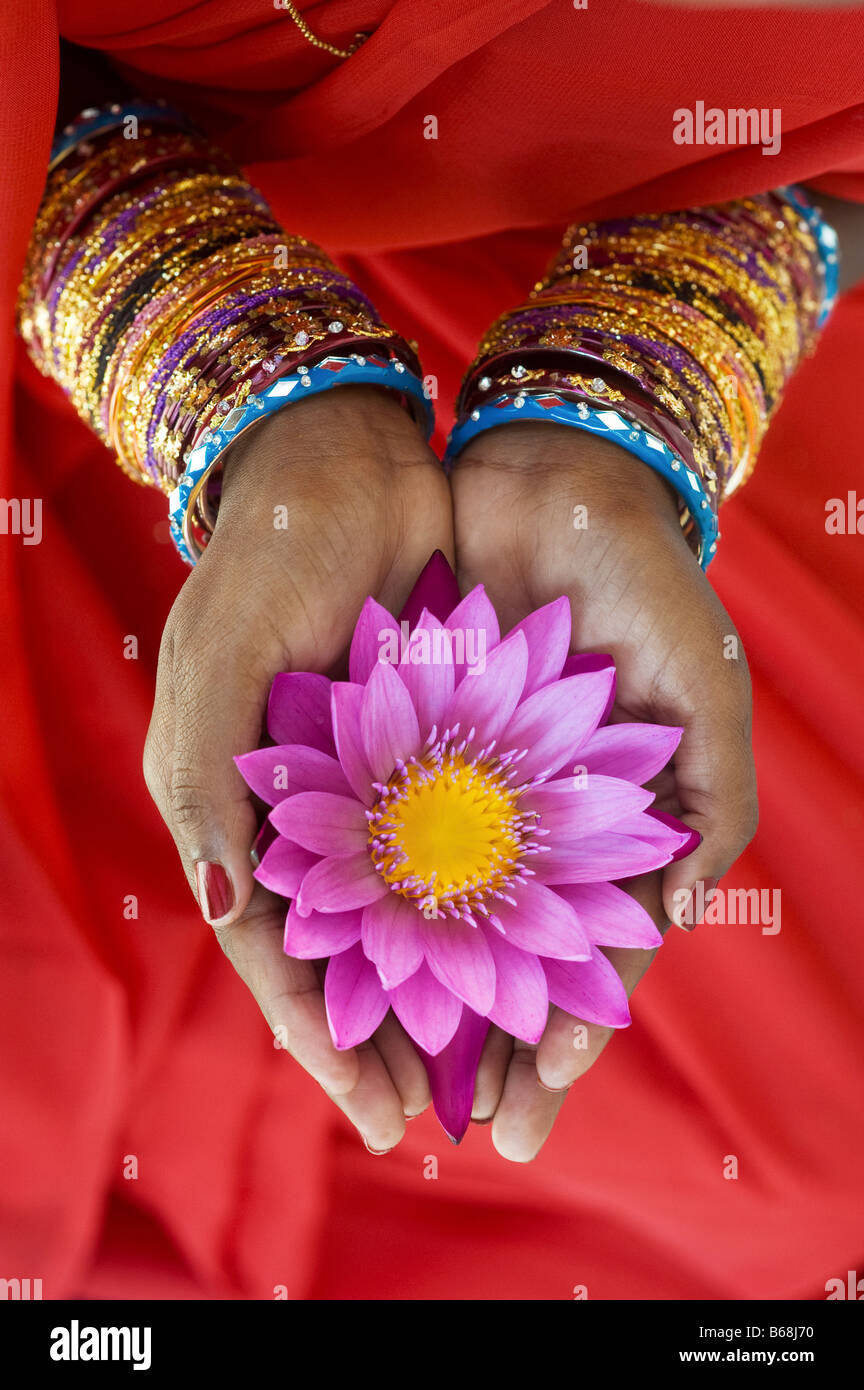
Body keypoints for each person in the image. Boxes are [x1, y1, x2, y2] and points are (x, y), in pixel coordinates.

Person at [2, 0, 863, 1301]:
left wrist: (656, 350)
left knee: (806, 1171)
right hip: (151, 463)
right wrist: (238, 364)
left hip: (720, 342)